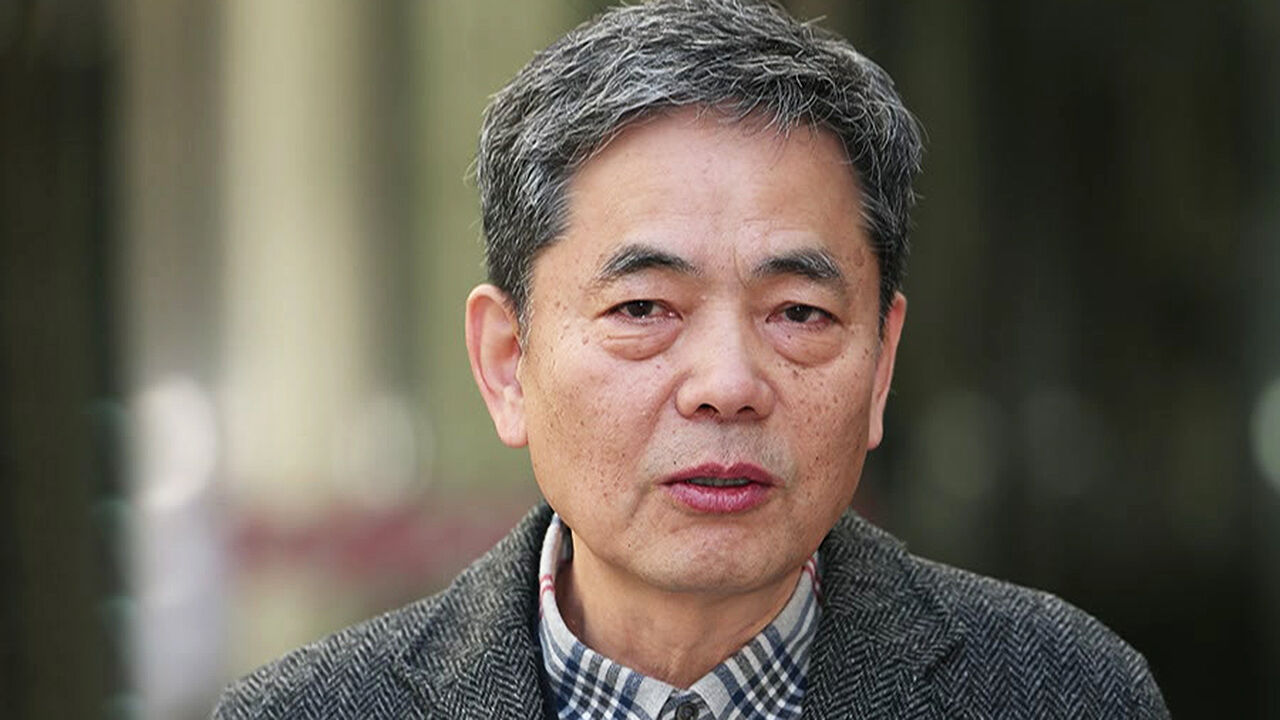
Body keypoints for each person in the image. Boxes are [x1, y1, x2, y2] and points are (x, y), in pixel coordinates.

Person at [215, 1, 1169, 717]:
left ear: (880, 366)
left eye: (798, 312)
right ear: (508, 363)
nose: (728, 386)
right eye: (643, 308)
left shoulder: (1068, 693)